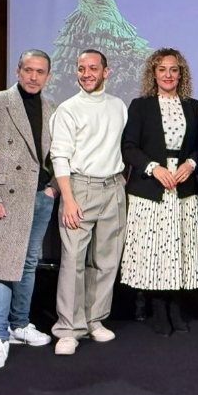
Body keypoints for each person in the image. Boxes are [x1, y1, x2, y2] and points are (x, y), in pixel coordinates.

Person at [0, 50, 58, 371]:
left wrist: (53, 188)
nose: (34, 76)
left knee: (29, 261)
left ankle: (19, 324)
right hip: (4, 197)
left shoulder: (52, 108)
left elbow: (59, 154)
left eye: (40, 72)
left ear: (48, 76)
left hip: (40, 196)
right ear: (18, 70)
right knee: (2, 264)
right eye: (28, 70)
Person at [119, 48, 198, 336]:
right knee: (154, 250)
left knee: (180, 246)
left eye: (174, 69)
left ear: (181, 74)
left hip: (183, 187)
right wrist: (154, 168)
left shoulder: (192, 106)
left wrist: (191, 164)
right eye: (162, 70)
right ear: (153, 74)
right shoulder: (140, 105)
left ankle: (175, 308)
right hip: (151, 186)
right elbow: (129, 147)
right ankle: (158, 308)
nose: (168, 75)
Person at [49, 50, 128, 355]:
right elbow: (60, 156)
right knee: (73, 261)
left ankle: (94, 320)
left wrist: (120, 180)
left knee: (107, 260)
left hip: (112, 188)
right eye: (81, 69)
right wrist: (68, 200)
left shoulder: (118, 106)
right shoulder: (68, 109)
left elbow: (123, 145)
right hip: (79, 188)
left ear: (106, 72)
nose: (86, 74)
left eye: (92, 68)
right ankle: (68, 328)